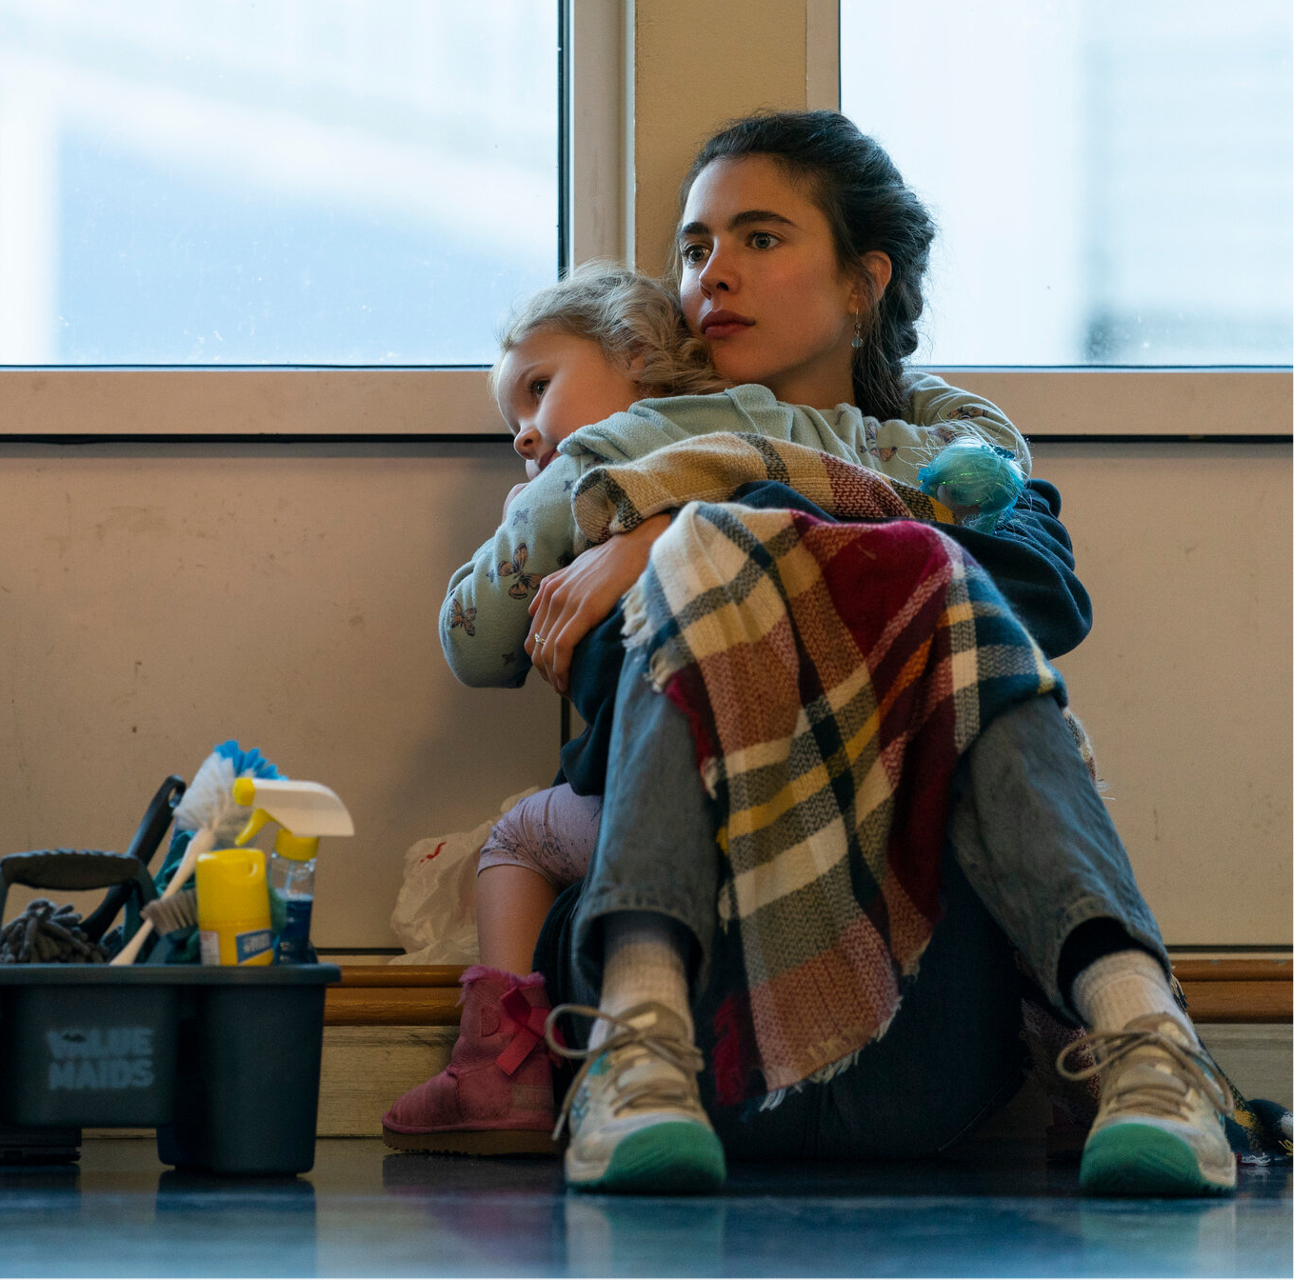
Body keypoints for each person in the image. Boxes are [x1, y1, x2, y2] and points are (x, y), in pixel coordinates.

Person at [539, 111, 1231, 1199]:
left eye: (758, 240)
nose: (711, 274)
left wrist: (731, 517)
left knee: (932, 583)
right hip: (697, 1003)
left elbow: (1038, 604)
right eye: (693, 247)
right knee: (736, 565)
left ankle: (1147, 1045)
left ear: (862, 284)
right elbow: (585, 674)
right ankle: (632, 1038)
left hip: (923, 1026)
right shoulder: (634, 464)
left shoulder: (954, 468)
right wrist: (677, 540)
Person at [384, 258, 1033, 1156]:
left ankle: (507, 1069)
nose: (529, 434)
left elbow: (476, 643)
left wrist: (511, 533)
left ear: (639, 353)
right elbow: (968, 471)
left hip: (690, 813)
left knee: (518, 838)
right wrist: (914, 395)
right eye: (516, 423)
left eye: (538, 391)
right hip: (859, 792)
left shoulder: (588, 467)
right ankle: (1085, 1028)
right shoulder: (810, 431)